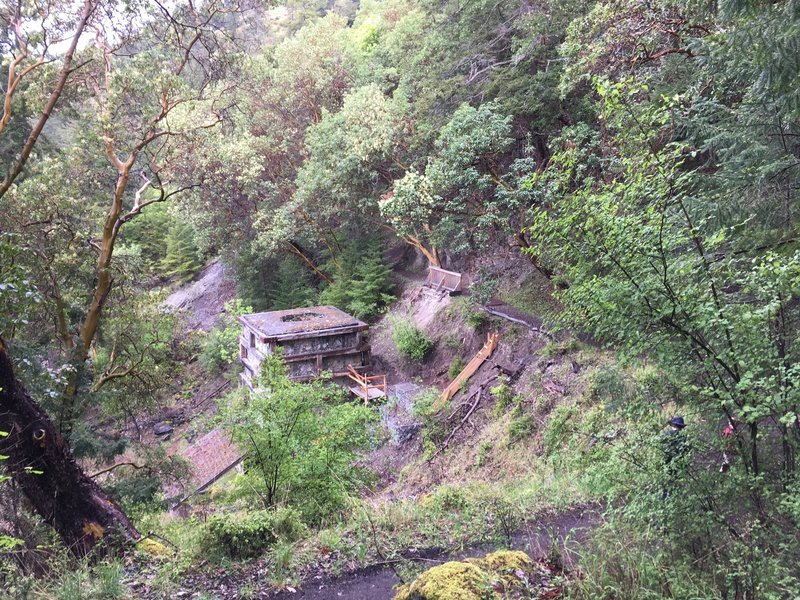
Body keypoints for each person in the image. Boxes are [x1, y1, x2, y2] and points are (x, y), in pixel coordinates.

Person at [661, 415, 688, 499]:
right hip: (678, 464)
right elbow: (685, 451)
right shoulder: (683, 437)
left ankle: (666, 499)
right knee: (674, 483)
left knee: (666, 483)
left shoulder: (666, 435)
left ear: (673, 425)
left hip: (667, 463)